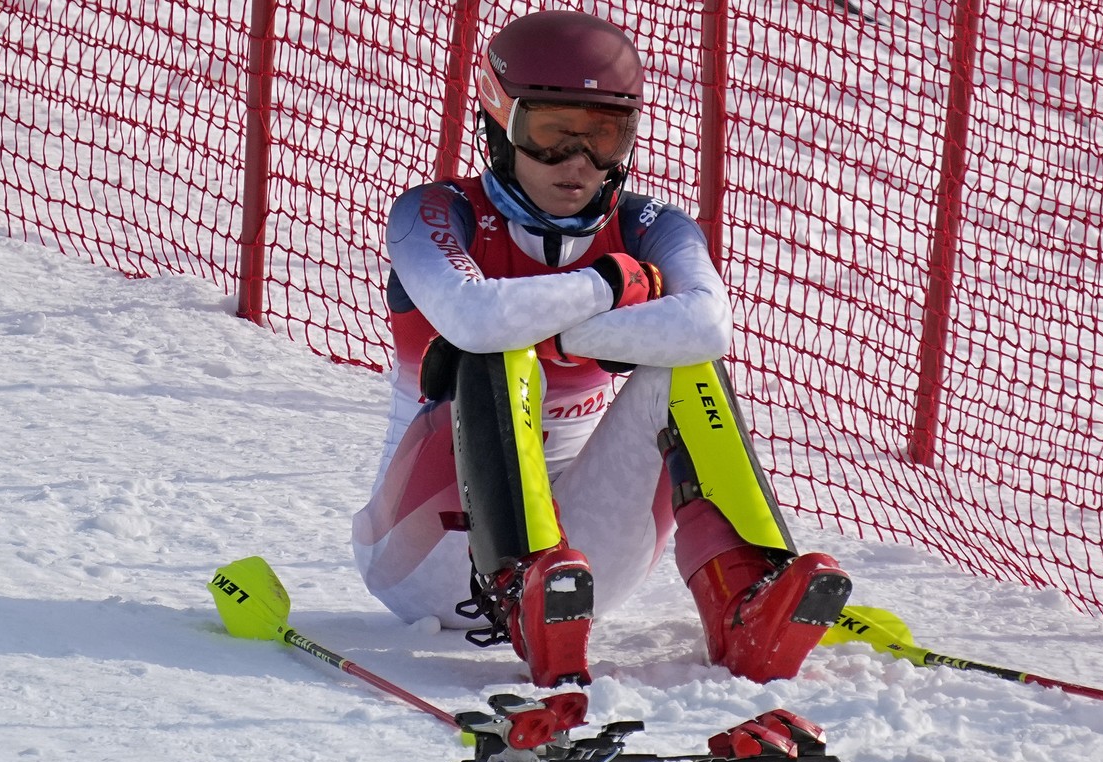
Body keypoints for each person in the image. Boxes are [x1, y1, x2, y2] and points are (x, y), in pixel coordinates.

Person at [352, 10, 852, 687]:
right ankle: (520, 579)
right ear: (502, 124)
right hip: (424, 553)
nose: (578, 164)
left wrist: (561, 328)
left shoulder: (651, 225)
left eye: (603, 137)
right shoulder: (434, 211)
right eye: (551, 134)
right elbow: (472, 316)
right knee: (493, 350)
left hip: (581, 573)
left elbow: (706, 326)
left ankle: (744, 599)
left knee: (683, 367)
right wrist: (609, 284)